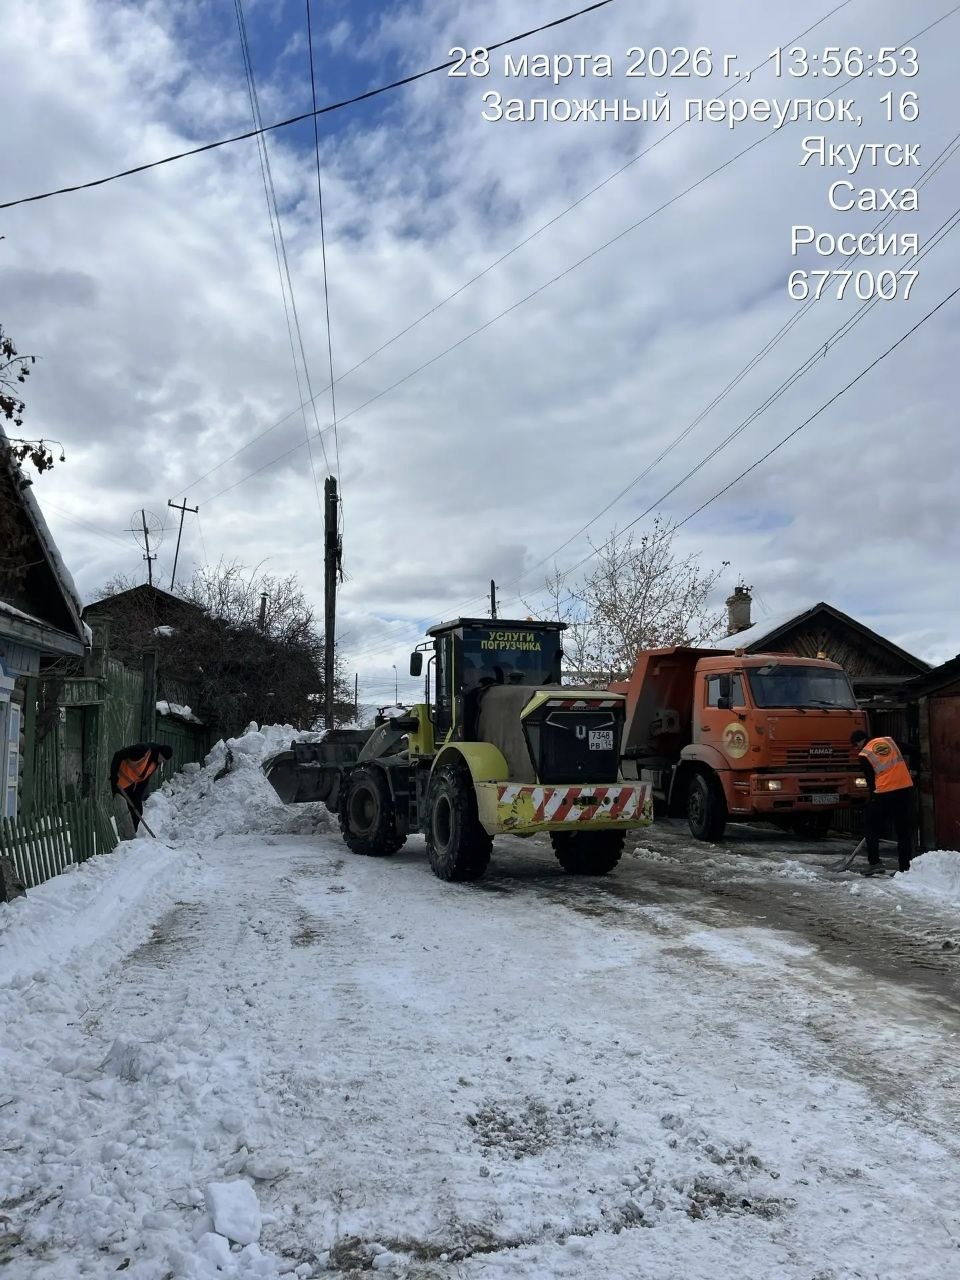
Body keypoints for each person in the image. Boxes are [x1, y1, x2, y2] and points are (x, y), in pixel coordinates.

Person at [850, 729, 915, 876]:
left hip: (884, 794)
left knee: (871, 827)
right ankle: (904, 868)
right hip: (905, 790)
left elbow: (871, 781)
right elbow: (912, 750)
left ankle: (874, 863)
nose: (856, 748)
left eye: (855, 745)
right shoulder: (889, 741)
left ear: (860, 742)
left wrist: (872, 799)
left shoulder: (864, 754)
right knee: (903, 831)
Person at [109, 742, 172, 831]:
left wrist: (137, 797)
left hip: (131, 785)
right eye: (163, 759)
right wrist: (114, 774)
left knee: (137, 811)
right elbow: (118, 755)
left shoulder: (155, 763)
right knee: (122, 811)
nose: (162, 762)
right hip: (119, 782)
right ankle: (120, 836)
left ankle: (131, 837)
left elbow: (144, 780)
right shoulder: (142, 750)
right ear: (160, 753)